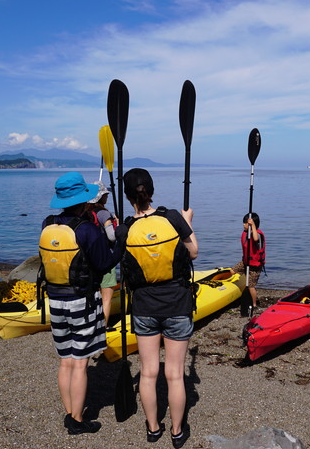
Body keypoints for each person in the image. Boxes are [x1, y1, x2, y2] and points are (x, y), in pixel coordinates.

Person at [119, 168, 198, 448]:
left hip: (143, 308)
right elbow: (194, 251)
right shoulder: (173, 218)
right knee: (175, 373)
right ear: (151, 191)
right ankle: (177, 431)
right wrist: (186, 222)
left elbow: (120, 261)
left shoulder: (125, 228)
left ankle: (153, 428)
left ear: (129, 197)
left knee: (149, 372)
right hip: (177, 304)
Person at [40, 171, 120, 435]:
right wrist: (121, 243)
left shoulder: (47, 224)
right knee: (80, 362)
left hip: (56, 302)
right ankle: (77, 419)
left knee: (65, 360)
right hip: (81, 302)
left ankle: (68, 413)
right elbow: (105, 263)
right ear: (85, 201)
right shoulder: (85, 229)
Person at [88, 181, 118, 329]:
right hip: (106, 258)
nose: (107, 196)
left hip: (89, 259)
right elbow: (111, 237)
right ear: (101, 197)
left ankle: (91, 323)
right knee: (106, 298)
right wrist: (118, 226)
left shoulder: (86, 213)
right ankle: (103, 327)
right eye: (106, 194)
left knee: (94, 295)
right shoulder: (104, 213)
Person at [232, 212, 265, 315]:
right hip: (245, 262)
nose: (243, 225)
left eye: (246, 223)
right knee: (232, 271)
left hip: (255, 265)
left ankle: (254, 305)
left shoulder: (258, 235)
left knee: (251, 286)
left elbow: (255, 239)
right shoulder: (245, 234)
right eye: (244, 223)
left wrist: (253, 226)